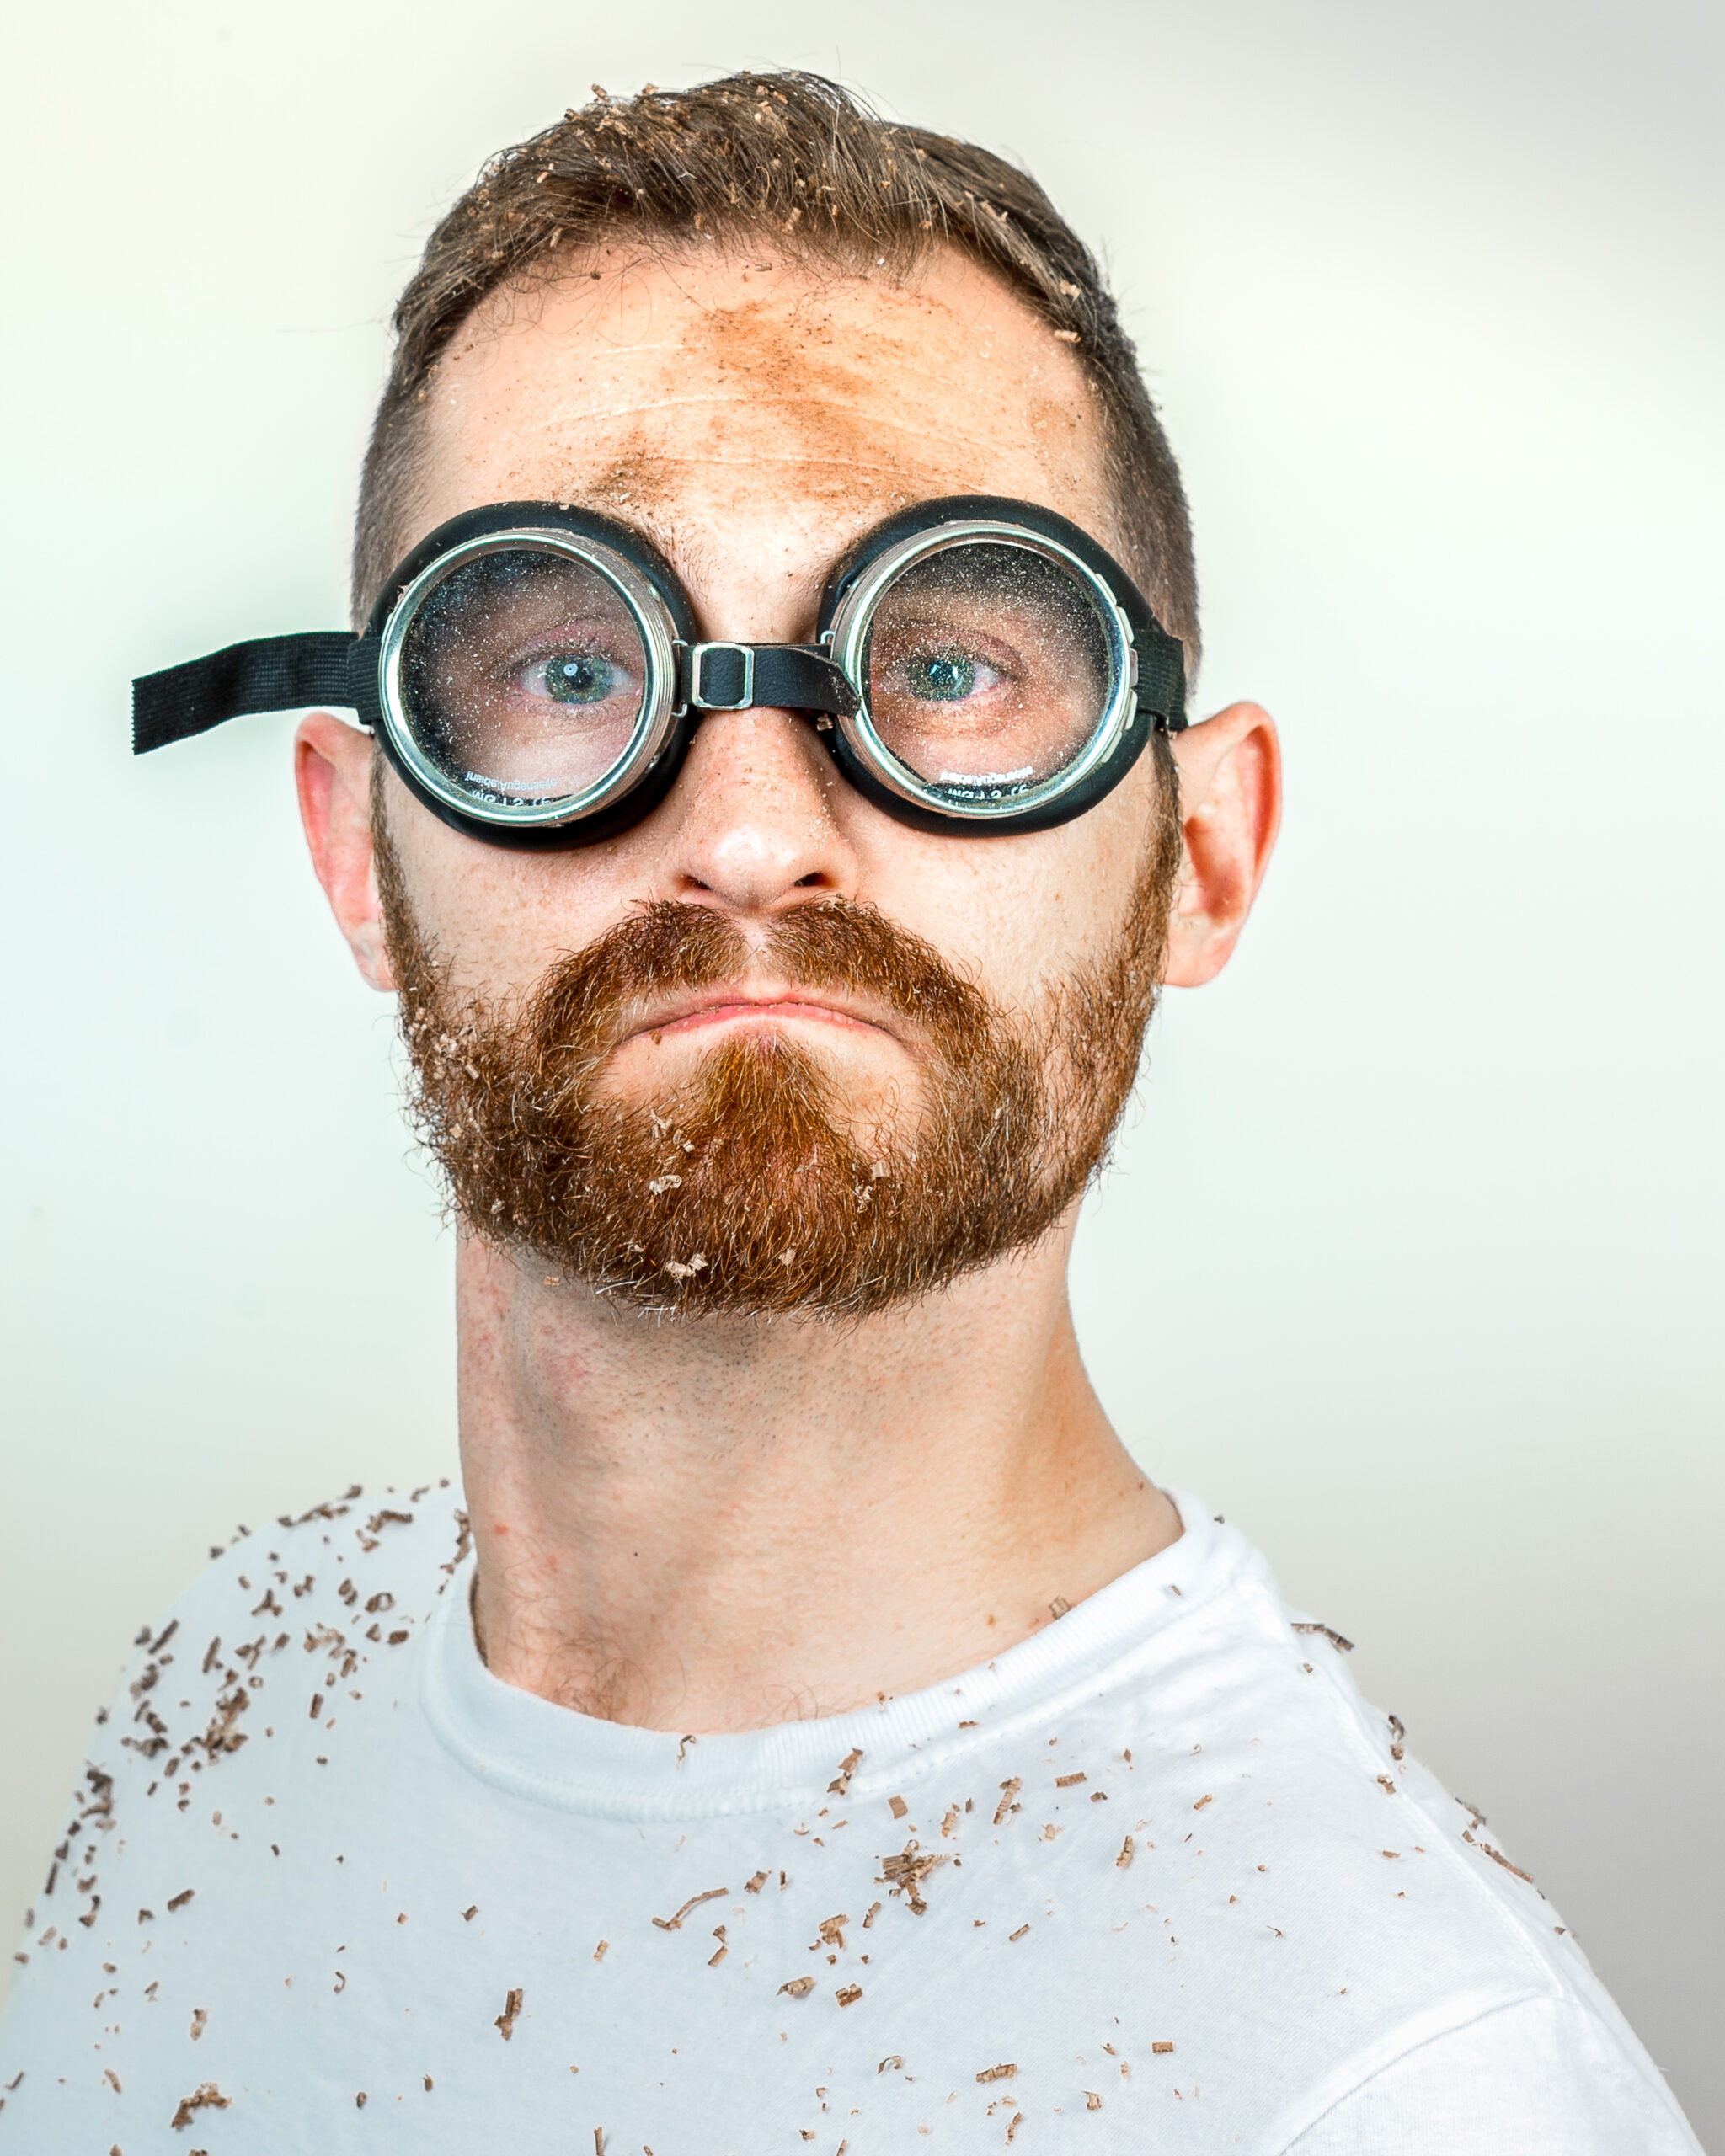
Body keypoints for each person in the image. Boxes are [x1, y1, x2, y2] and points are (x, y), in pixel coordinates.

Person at [0, 71, 1697, 2154]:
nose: (748, 836)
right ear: (358, 846)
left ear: (1203, 853)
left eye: (955, 666)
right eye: (565, 669)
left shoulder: (1385, 2082)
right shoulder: (226, 1697)